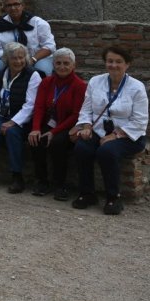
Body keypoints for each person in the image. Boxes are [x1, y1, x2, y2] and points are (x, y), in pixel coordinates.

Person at [70, 45, 148, 215]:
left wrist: (115, 135)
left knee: (107, 151)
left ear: (127, 64)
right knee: (82, 148)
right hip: (98, 130)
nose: (113, 65)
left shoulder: (137, 87)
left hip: (128, 135)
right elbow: (86, 109)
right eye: (110, 61)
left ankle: (113, 197)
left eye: (118, 62)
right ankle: (87, 193)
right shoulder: (95, 81)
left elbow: (140, 121)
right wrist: (86, 126)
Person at [0, 41, 41, 193]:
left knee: (12, 133)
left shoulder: (33, 75)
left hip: (23, 120)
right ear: (7, 60)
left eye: (21, 58)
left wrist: (13, 122)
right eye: (14, 58)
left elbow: (30, 105)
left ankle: (17, 176)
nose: (18, 61)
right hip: (2, 115)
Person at [29, 47, 87, 199]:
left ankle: (60, 184)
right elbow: (39, 107)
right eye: (58, 63)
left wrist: (53, 132)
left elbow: (76, 115)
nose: (62, 67)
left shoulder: (79, 85)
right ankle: (42, 180)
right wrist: (35, 129)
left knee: (58, 143)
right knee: (36, 139)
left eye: (66, 63)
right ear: (53, 65)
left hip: (68, 125)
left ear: (74, 65)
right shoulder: (47, 82)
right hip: (50, 121)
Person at [0, 0, 57, 80]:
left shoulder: (38, 23)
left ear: (22, 6)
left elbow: (50, 46)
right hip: (10, 60)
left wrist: (32, 59)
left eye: (16, 4)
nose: (13, 8)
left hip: (37, 59)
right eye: (9, 5)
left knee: (42, 70)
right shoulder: (1, 24)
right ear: (5, 8)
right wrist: (10, 60)